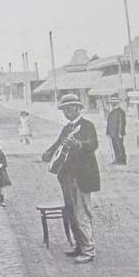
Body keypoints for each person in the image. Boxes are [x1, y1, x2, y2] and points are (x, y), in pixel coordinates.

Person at [41, 94, 100, 264]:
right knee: (71, 212)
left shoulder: (88, 126)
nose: (66, 112)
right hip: (66, 176)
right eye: (64, 109)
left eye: (69, 109)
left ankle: (89, 250)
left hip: (83, 177)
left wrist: (79, 144)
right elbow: (58, 144)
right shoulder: (67, 129)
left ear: (78, 108)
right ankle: (79, 246)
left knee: (82, 213)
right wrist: (48, 153)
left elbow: (93, 144)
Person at [105, 99, 127, 165]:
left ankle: (122, 161)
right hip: (112, 133)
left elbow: (121, 123)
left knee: (120, 147)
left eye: (114, 103)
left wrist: (120, 132)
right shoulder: (112, 112)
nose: (112, 104)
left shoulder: (121, 112)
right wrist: (108, 132)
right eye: (112, 103)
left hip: (118, 133)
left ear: (117, 103)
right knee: (115, 147)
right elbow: (109, 123)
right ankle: (117, 160)